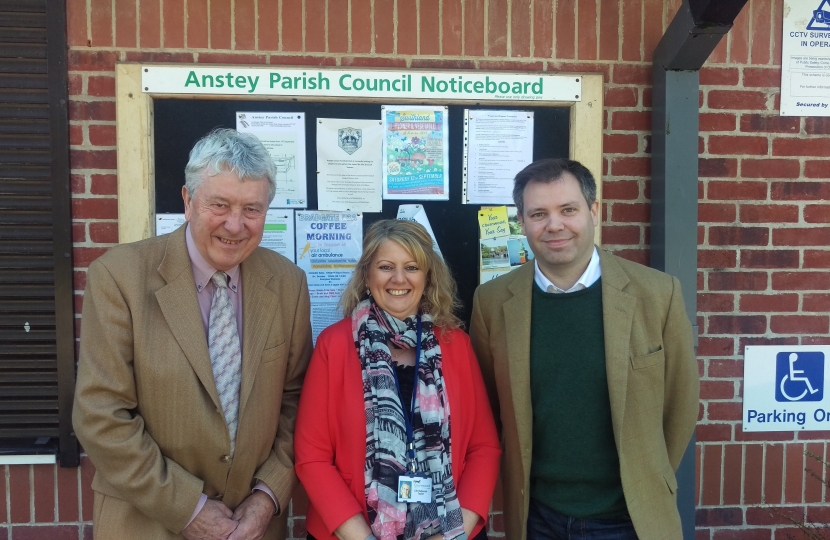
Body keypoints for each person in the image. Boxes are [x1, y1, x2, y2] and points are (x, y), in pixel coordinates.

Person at [73, 129, 313, 540]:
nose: (235, 225)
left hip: (252, 528)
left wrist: (267, 497)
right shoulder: (119, 277)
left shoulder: (287, 283)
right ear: (188, 200)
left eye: (251, 209)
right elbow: (101, 414)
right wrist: (191, 508)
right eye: (219, 204)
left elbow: (297, 401)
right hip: (147, 523)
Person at [470, 158, 699, 540]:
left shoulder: (657, 294)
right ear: (522, 222)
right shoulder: (492, 303)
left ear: (594, 211)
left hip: (632, 518)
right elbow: (487, 411)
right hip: (537, 518)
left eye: (568, 210)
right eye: (538, 213)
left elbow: (681, 404)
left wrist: (648, 476)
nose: (554, 225)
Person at [295, 220, 501, 540]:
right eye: (386, 267)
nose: (399, 279)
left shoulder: (456, 345)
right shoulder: (333, 346)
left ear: (427, 276)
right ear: (367, 275)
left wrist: (451, 535)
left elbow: (484, 448)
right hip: (353, 532)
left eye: (412, 267)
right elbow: (312, 457)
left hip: (448, 530)